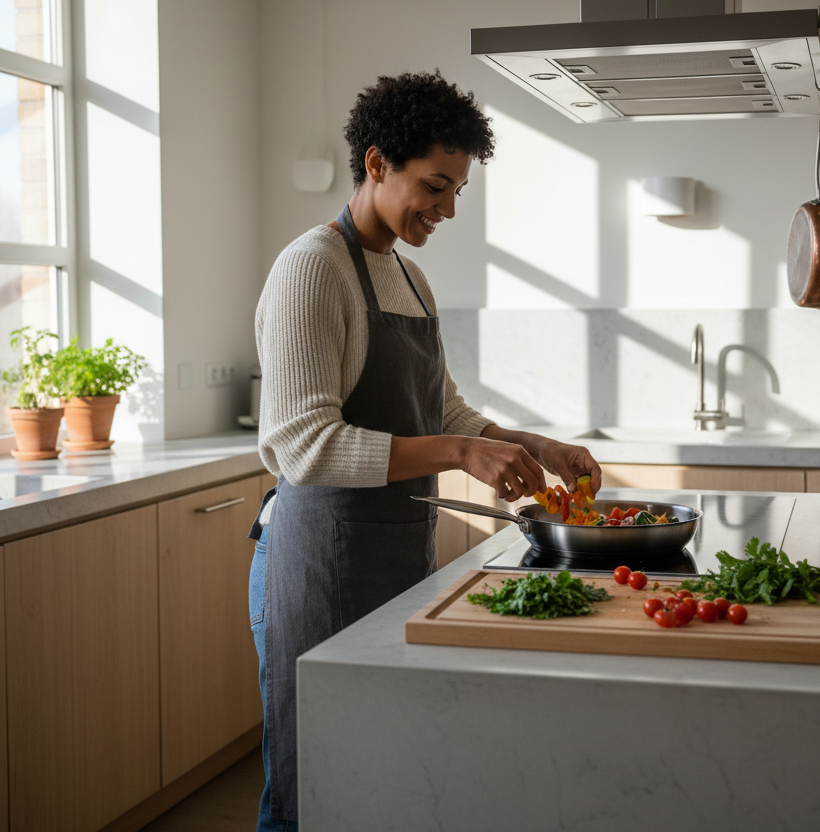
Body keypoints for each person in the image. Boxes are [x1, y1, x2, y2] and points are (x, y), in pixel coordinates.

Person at [247, 70, 602, 831]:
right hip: (321, 561)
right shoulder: (313, 267)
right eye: (434, 187)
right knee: (313, 781)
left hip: (395, 553)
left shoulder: (410, 278)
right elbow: (299, 445)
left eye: (456, 193)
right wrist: (456, 453)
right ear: (377, 165)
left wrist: (534, 443)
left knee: (379, 768)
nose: (445, 209)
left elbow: (443, 410)